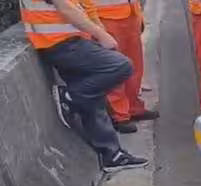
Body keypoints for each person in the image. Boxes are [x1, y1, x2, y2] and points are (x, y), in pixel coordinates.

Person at [20, 0, 148, 172]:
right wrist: (101, 35)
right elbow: (65, 8)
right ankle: (71, 97)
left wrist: (95, 28)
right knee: (120, 66)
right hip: (60, 43)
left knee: (92, 97)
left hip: (69, 40)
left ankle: (112, 155)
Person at [94, 0, 159, 133]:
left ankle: (132, 107)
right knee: (115, 68)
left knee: (134, 65)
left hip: (130, 13)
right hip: (106, 17)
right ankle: (119, 114)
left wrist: (138, 14)